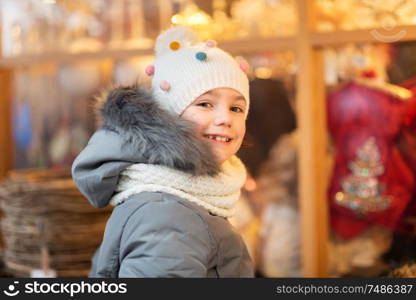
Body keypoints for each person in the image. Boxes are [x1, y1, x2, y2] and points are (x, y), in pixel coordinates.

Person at [71, 26, 254, 278]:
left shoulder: (189, 196)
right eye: (204, 104)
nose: (225, 118)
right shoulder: (166, 213)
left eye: (236, 108)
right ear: (169, 115)